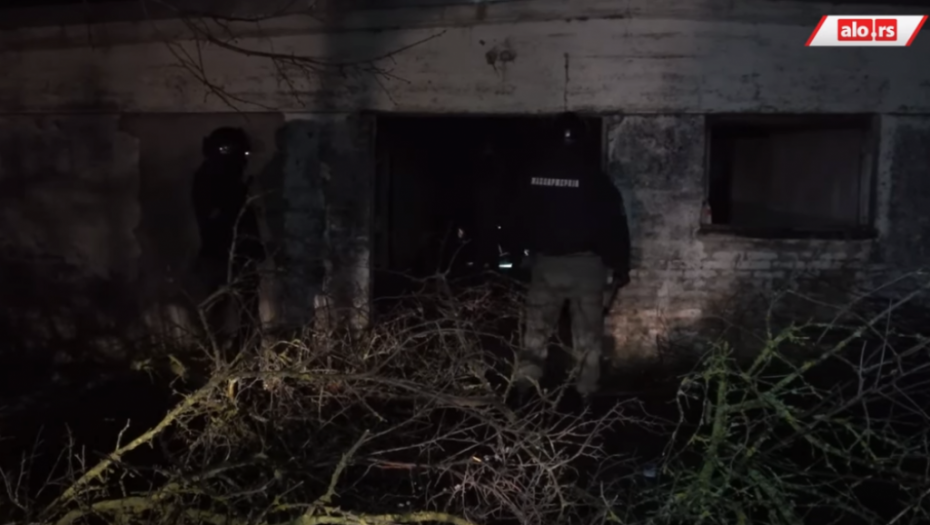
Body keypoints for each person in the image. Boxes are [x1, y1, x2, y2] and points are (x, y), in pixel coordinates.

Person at [504, 113, 632, 396]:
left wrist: (516, 257)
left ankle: (524, 390)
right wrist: (620, 265)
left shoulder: (533, 176)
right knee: (587, 337)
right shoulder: (596, 179)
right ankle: (586, 394)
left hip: (545, 265)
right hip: (587, 268)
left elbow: (516, 219)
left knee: (536, 333)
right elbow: (615, 224)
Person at [192, 127, 266, 340]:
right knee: (224, 309)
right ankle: (228, 349)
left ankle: (238, 349)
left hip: (230, 254)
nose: (244, 160)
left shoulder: (218, 177)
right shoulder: (213, 178)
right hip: (224, 254)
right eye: (242, 154)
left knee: (241, 309)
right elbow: (223, 218)